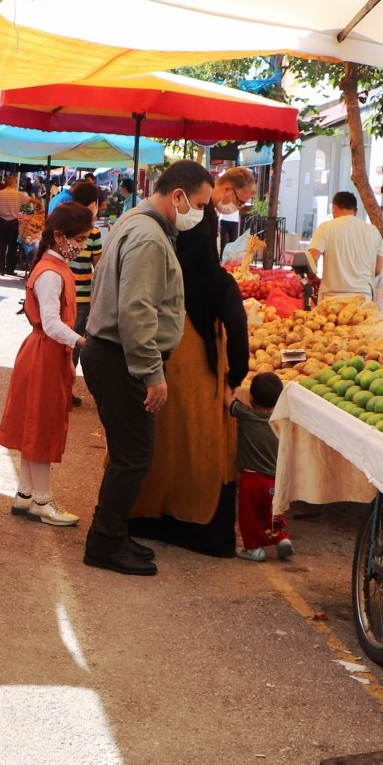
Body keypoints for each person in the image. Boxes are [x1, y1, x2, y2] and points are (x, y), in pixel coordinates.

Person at [80, 160, 214, 577]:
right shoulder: (148, 236)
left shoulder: (137, 221)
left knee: (129, 453)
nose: (202, 213)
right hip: (120, 356)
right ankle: (104, 542)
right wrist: (152, 373)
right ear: (178, 196)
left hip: (113, 352)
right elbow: (136, 311)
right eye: (200, 203)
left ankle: (113, 533)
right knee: (134, 456)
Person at [127, 167, 252, 558]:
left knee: (159, 440)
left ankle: (141, 514)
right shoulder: (216, 283)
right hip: (196, 363)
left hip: (160, 358)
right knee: (198, 443)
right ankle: (192, 524)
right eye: (199, 204)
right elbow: (238, 329)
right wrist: (235, 374)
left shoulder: (158, 253)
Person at [0, 204, 95, 526]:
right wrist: (84, 343)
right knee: (41, 427)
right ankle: (42, 500)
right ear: (58, 236)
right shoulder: (52, 272)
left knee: (34, 425)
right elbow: (53, 324)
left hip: (44, 352)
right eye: (78, 239)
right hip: (46, 353)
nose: (81, 246)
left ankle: (26, 493)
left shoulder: (52, 266)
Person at [229, 372, 291, 562]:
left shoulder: (246, 415)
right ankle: (281, 539)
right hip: (276, 480)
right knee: (271, 512)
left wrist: (226, 381)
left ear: (252, 397)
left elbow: (227, 402)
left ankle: (254, 548)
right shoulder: (282, 421)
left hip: (252, 479)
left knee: (249, 515)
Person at [307, 190, 383, 299]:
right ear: (356, 211)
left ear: (334, 208)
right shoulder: (373, 231)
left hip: (331, 297)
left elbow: (312, 259)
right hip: (363, 298)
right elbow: (377, 269)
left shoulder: (325, 228)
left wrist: (312, 277)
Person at [66, 181, 104, 402]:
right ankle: (65, 389)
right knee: (75, 345)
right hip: (81, 298)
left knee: (61, 342)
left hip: (61, 294)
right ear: (92, 205)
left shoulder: (63, 227)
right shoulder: (93, 232)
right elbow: (98, 267)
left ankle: (56, 386)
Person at [0, 173, 27, 276]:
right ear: (13, 183)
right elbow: (30, 200)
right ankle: (10, 269)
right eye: (15, 182)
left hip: (1, 221)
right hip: (13, 222)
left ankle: (1, 269)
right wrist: (39, 203)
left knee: (1, 246)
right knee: (12, 246)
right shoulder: (18, 194)